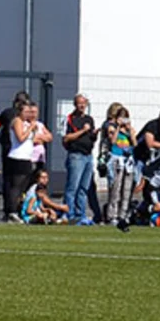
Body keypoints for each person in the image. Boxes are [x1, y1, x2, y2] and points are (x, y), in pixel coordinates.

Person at [3, 101, 51, 220]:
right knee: (16, 186)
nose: (28, 114)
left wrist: (32, 130)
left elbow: (44, 137)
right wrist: (30, 128)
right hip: (17, 157)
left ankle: (19, 209)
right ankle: (11, 211)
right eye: (26, 111)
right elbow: (21, 138)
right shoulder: (17, 121)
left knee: (23, 187)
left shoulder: (26, 123)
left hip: (26, 158)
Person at [100, 103, 141, 229]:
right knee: (115, 189)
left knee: (127, 190)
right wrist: (118, 127)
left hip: (127, 161)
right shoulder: (112, 128)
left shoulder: (130, 130)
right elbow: (112, 141)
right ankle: (112, 215)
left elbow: (135, 144)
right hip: (116, 160)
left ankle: (123, 215)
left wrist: (129, 130)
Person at [61, 95, 97, 225]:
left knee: (83, 188)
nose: (82, 106)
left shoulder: (89, 119)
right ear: (75, 104)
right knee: (73, 187)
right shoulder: (71, 119)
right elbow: (66, 138)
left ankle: (80, 213)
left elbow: (91, 137)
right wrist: (83, 131)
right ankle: (69, 213)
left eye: (84, 103)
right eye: (79, 103)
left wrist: (94, 134)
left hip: (88, 156)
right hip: (76, 155)